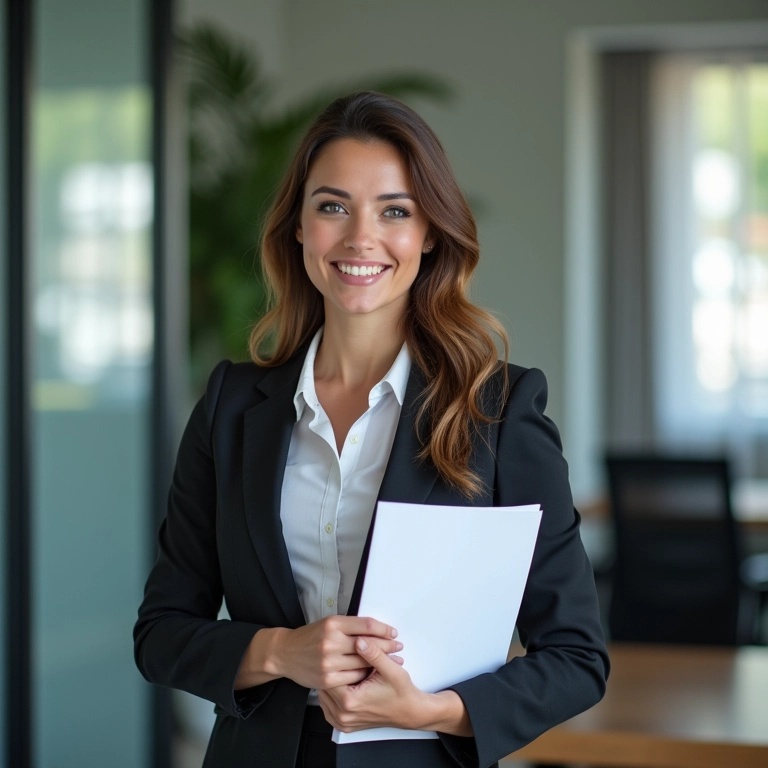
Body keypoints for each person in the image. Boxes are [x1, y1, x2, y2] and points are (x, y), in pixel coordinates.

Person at [134, 90, 609, 768]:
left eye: (394, 211)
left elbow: (576, 658)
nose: (361, 238)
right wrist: (278, 652)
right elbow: (161, 633)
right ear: (298, 226)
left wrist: (433, 711)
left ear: (430, 233)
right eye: (333, 206)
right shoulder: (230, 406)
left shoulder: (497, 410)